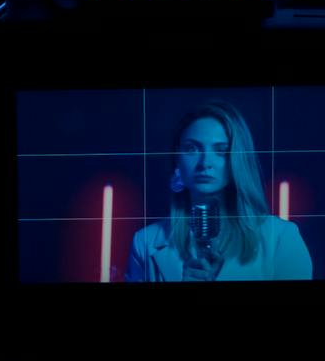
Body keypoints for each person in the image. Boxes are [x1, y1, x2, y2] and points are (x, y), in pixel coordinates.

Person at [126, 100, 312, 282]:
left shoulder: (281, 237)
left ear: (238, 159)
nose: (205, 163)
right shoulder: (145, 242)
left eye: (221, 151)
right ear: (177, 158)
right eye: (192, 148)